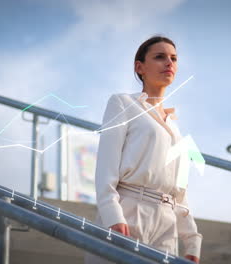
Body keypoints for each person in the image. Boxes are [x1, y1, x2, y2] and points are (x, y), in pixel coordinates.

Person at [84, 35, 202, 264]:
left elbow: (180, 193)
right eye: (160, 57)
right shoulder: (123, 103)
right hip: (128, 212)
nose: (169, 63)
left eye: (174, 58)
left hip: (166, 226)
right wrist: (112, 214)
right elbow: (106, 167)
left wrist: (192, 240)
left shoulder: (175, 128)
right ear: (140, 67)